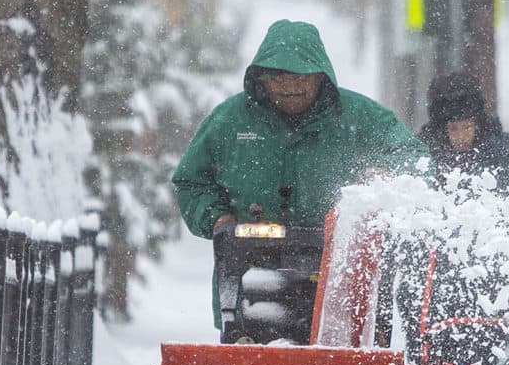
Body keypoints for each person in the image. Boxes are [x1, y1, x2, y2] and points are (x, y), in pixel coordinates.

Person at [171, 19, 430, 241]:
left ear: (320, 77)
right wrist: (219, 220)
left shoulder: (360, 116)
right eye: (278, 78)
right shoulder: (230, 120)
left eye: (301, 78)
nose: (289, 87)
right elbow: (191, 181)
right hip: (248, 268)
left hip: (337, 273)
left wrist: (388, 175)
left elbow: (415, 159)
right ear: (261, 78)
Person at [419, 69, 509, 200]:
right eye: (453, 128)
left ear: (478, 124)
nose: (461, 135)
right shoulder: (422, 155)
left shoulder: (507, 151)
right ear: (440, 130)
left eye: (467, 126)